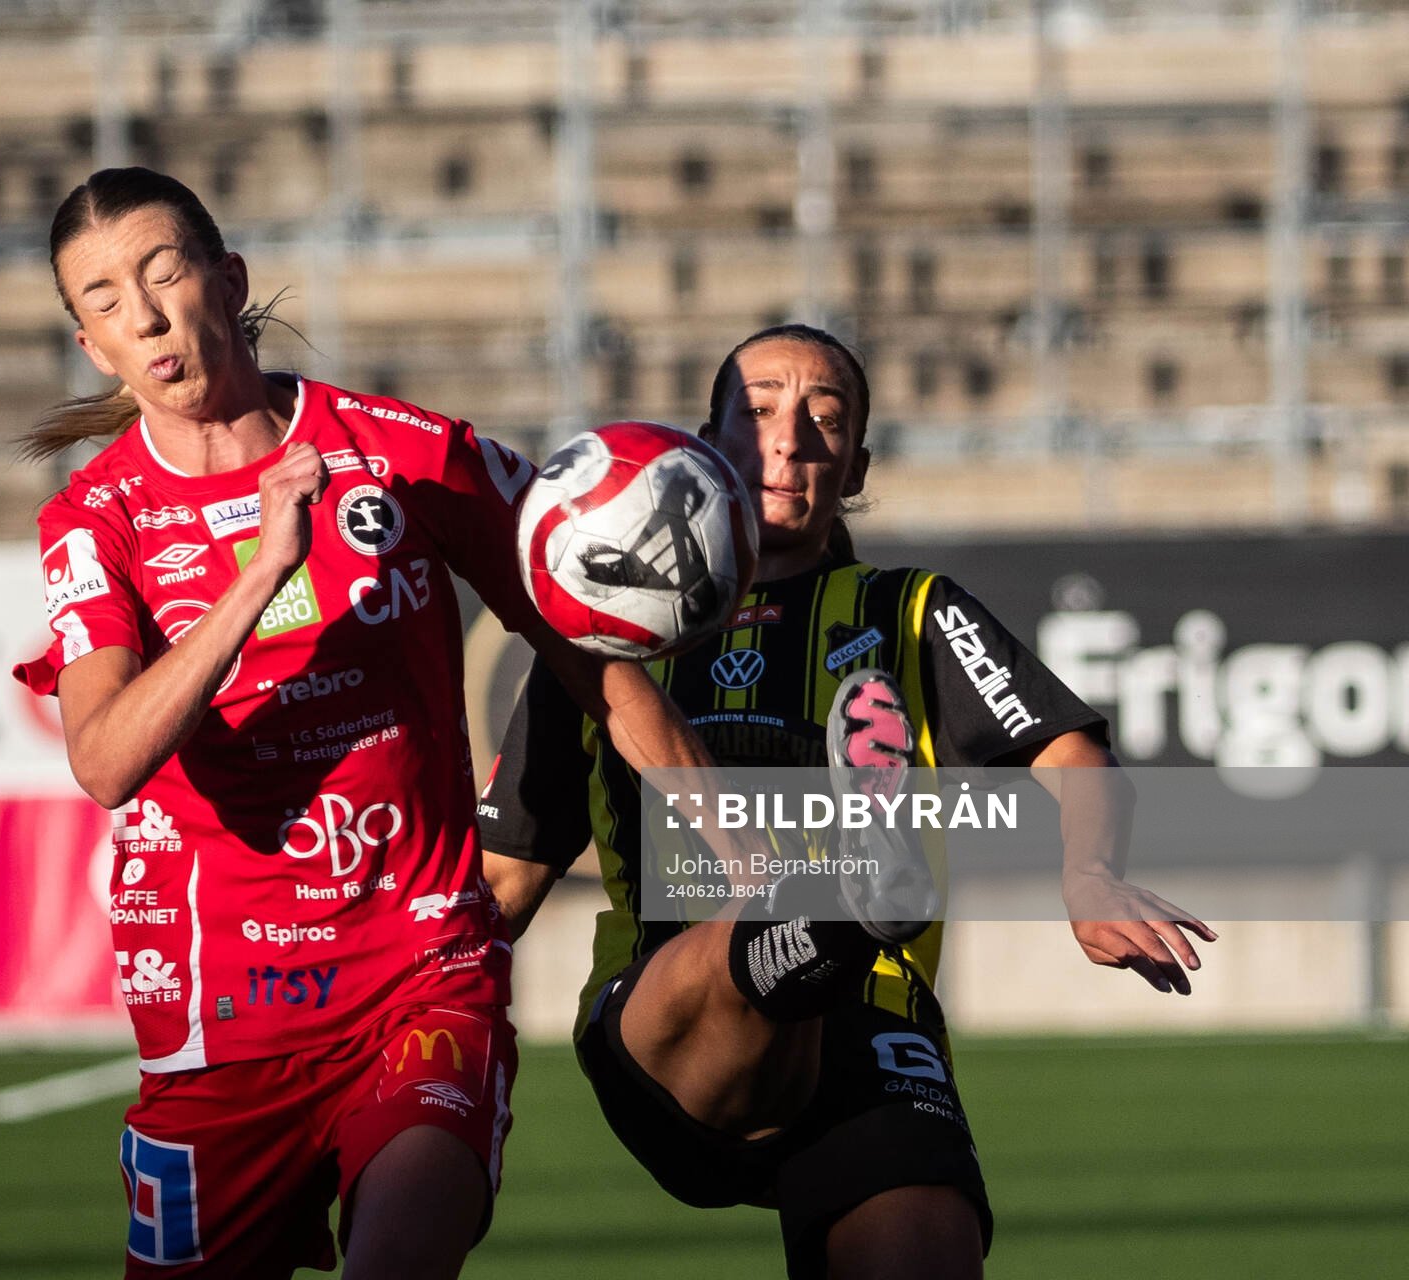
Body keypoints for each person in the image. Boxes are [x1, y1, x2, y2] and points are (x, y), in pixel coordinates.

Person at [10, 166, 724, 1279]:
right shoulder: (95, 519)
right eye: (102, 300)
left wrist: (748, 846)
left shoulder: (402, 450)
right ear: (91, 346)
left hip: (419, 972)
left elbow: (599, 665)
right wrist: (256, 578)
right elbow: (105, 759)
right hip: (221, 1020)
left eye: (163, 272)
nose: (143, 314)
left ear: (227, 280)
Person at [478, 323, 1218, 1280]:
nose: (791, 439)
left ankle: (838, 906)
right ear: (707, 440)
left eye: (825, 420)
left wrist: (1089, 869)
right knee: (749, 942)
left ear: (856, 463)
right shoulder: (603, 631)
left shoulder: (908, 610)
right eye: (760, 413)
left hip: (871, 1029)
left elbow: (1069, 746)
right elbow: (503, 880)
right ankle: (835, 902)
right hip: (673, 1024)